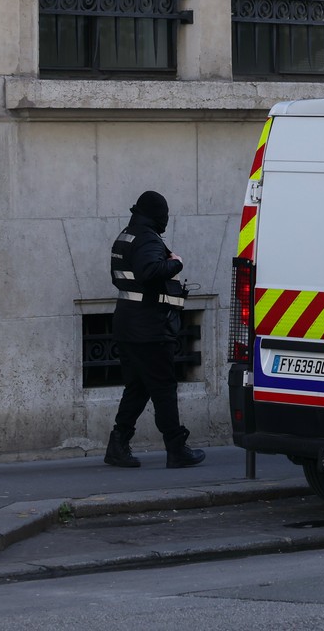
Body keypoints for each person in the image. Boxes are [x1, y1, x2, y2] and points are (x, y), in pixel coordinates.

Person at [103, 190, 205, 469]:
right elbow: (149, 272)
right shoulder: (147, 238)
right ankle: (176, 447)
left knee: (138, 387)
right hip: (149, 328)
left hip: (128, 324)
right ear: (158, 215)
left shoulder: (127, 234)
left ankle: (118, 444)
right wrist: (176, 263)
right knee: (163, 387)